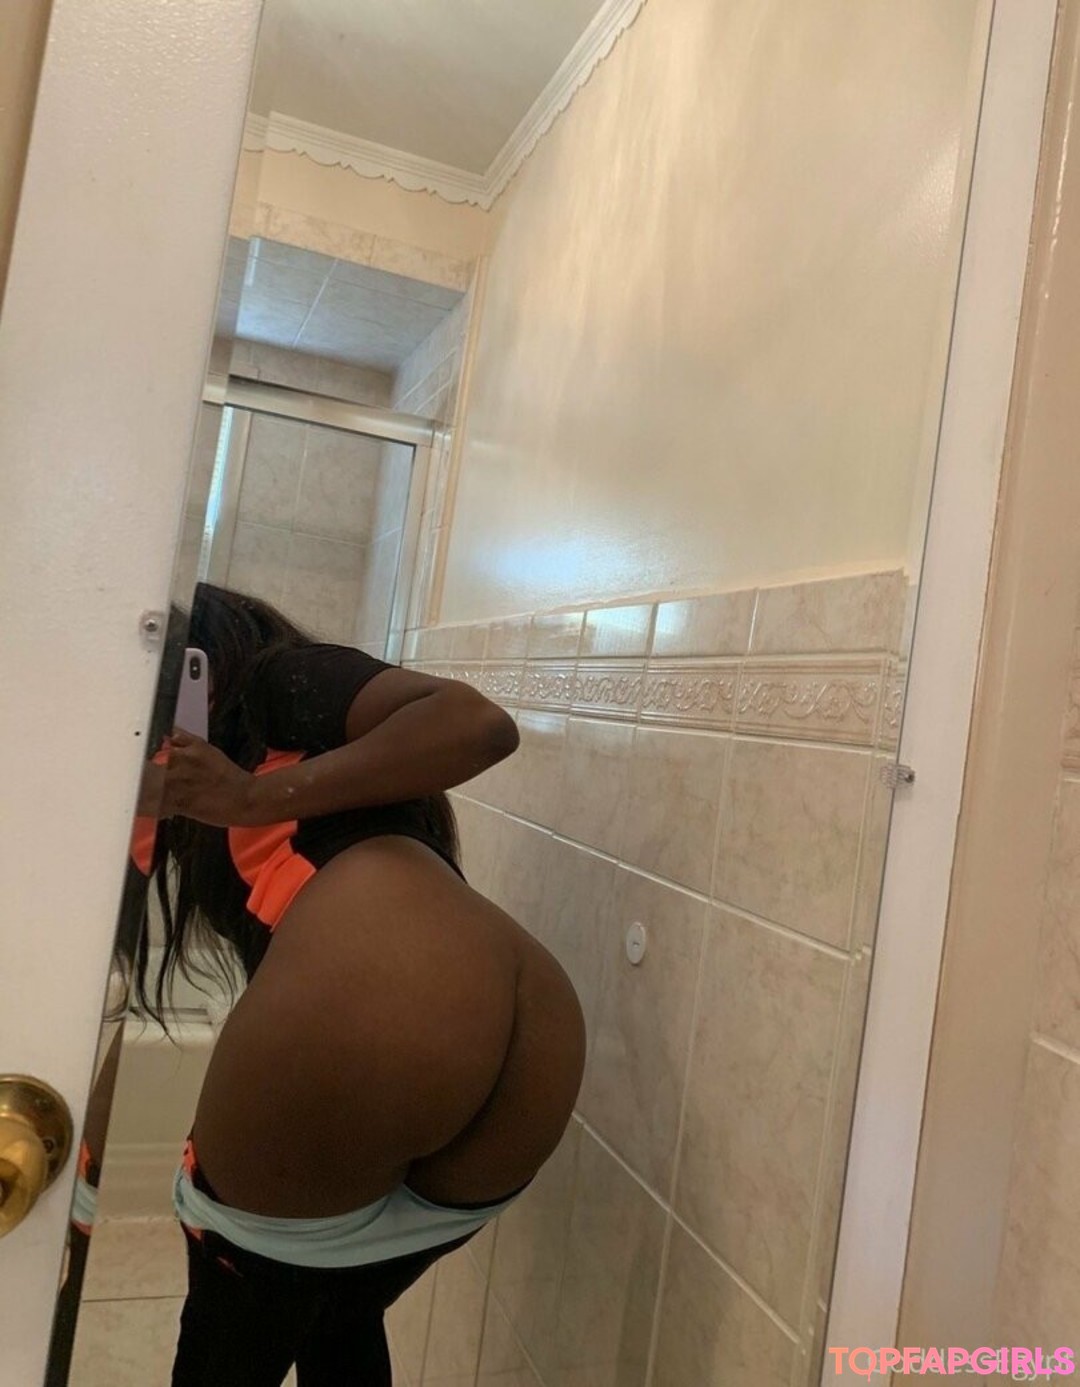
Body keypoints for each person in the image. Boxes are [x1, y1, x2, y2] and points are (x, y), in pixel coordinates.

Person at [145, 584, 585, 1387]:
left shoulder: (276, 683)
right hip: (535, 1049)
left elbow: (478, 724)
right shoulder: (194, 777)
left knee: (225, 1356)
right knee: (341, 1320)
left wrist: (249, 797)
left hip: (381, 1011)